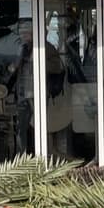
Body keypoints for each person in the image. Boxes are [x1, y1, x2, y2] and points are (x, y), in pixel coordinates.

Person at [8, 21, 64, 155]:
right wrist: (12, 68)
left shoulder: (47, 48)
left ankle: (42, 155)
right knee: (21, 128)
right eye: (23, 33)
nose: (23, 35)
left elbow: (58, 68)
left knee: (40, 126)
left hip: (37, 93)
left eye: (26, 33)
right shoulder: (23, 48)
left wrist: (40, 63)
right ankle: (22, 159)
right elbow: (15, 70)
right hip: (22, 93)